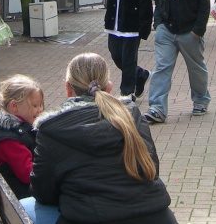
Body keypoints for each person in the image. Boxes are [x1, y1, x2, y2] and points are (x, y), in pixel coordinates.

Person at [29, 53, 177, 224]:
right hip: (156, 216)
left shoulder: (51, 130)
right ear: (109, 87)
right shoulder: (132, 116)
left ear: (68, 88)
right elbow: (152, 170)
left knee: (27, 207)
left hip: (90, 218)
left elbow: (43, 193)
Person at [143, 0, 210, 124]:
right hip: (166, 29)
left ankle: (200, 100)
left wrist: (198, 30)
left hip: (190, 30)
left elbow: (204, 3)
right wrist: (158, 23)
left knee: (196, 69)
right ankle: (157, 108)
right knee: (162, 68)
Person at [0, 75, 45, 199]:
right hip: (19, 196)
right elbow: (29, 174)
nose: (40, 110)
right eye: (35, 106)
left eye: (40, 105)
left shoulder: (1, 128)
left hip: (8, 195)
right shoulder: (9, 141)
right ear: (14, 106)